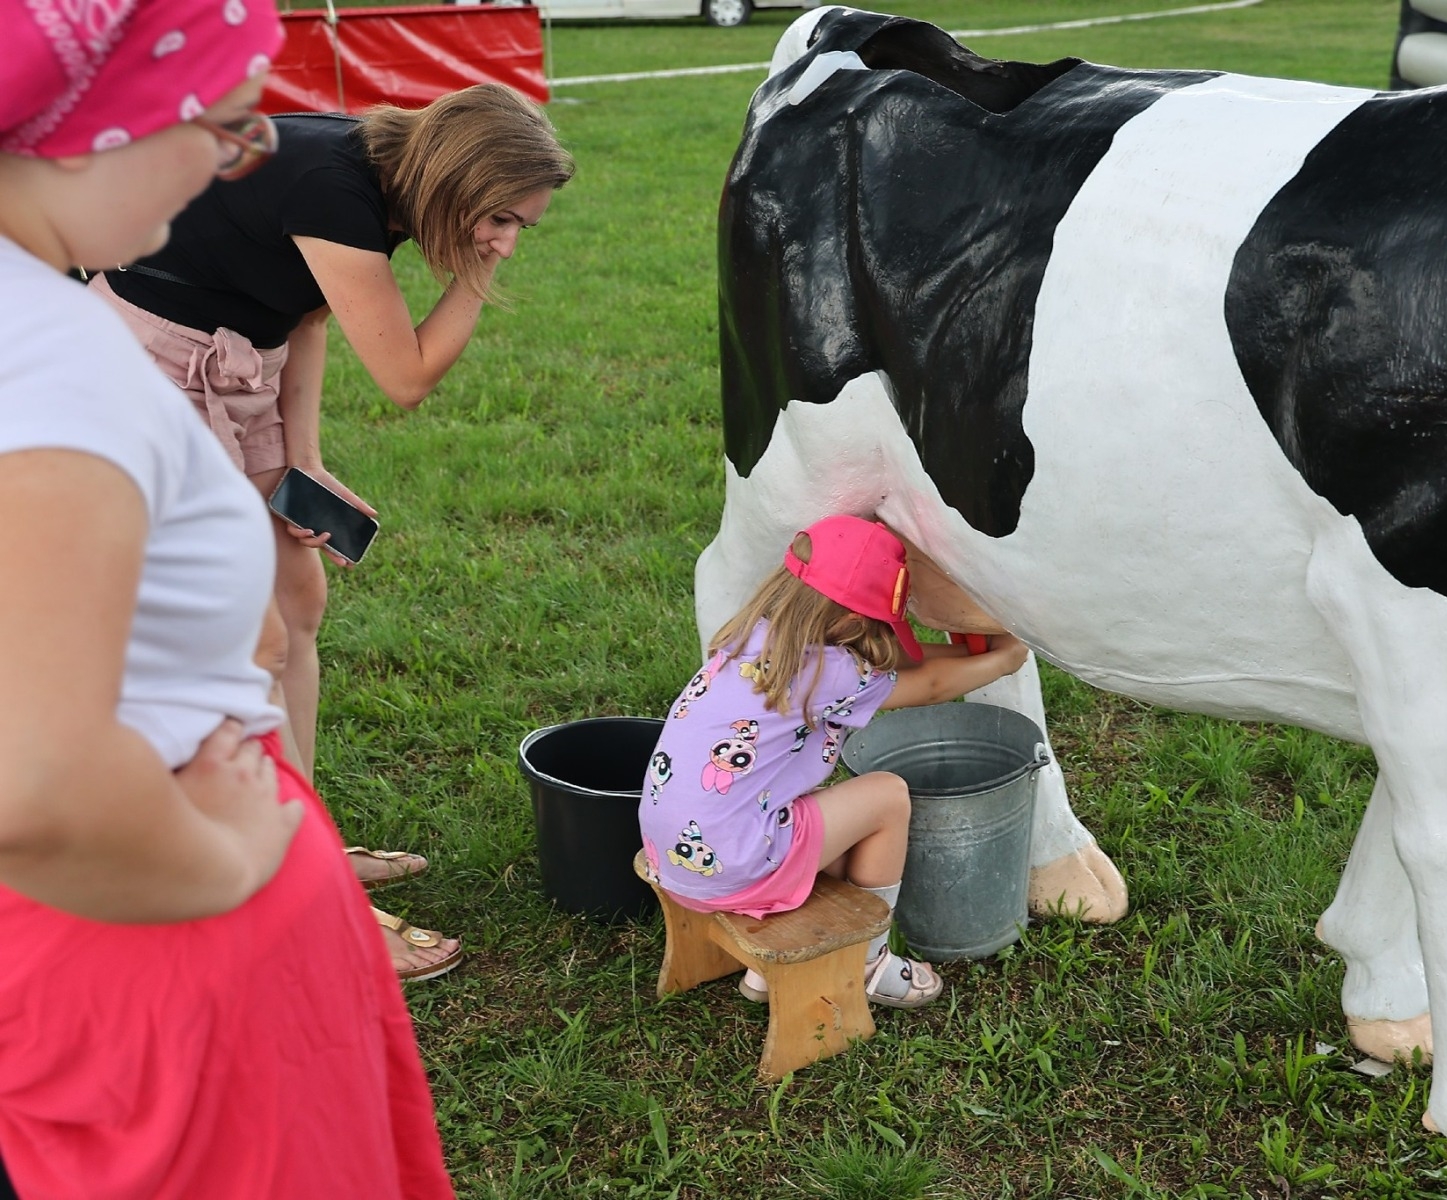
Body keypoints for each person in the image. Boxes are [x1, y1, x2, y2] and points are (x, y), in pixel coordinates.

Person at [0, 0, 454, 1193]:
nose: (236, 156)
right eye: (222, 121)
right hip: (164, 958)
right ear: (88, 129)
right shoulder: (48, 364)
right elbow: (36, 785)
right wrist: (234, 860)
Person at [91, 82, 576, 979]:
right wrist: (475, 276)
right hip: (148, 371)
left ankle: (301, 834)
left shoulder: (383, 179)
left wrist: (301, 459)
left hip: (240, 365)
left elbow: (305, 315)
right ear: (458, 180)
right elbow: (406, 376)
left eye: (520, 230)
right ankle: (286, 886)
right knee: (250, 640)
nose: (506, 244)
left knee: (298, 605)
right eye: (502, 220)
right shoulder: (333, 187)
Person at [639, 516, 1032, 1008]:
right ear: (849, 625)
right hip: (737, 864)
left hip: (674, 857)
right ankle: (869, 960)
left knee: (842, 835)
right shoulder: (829, 671)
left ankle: (772, 967)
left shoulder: (751, 637)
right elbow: (929, 686)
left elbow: (892, 661)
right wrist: (1002, 661)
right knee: (886, 796)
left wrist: (965, 655)